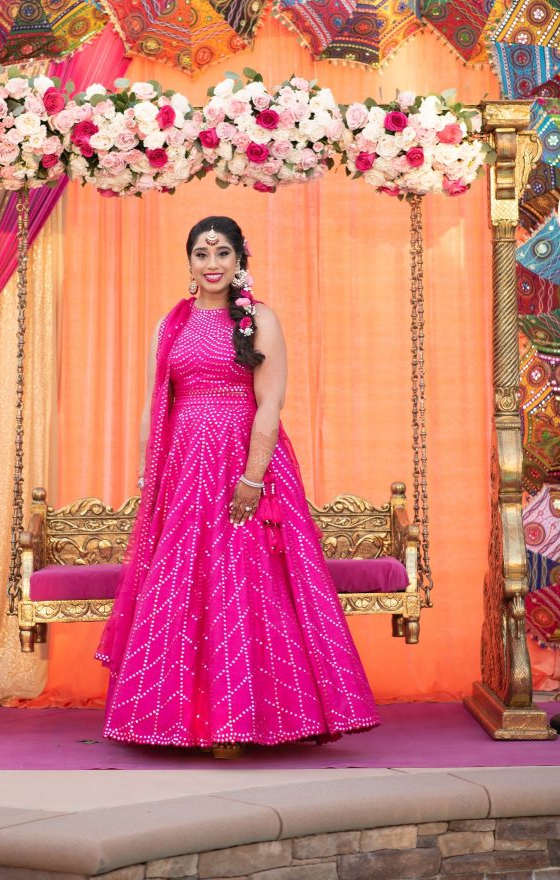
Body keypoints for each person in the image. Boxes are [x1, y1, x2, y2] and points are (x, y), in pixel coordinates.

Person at [96, 215, 379, 756]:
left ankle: (248, 719)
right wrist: (145, 472)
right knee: (181, 581)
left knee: (245, 580)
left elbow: (270, 404)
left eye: (222, 253)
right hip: (182, 469)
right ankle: (173, 719)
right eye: (202, 254)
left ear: (239, 260)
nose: (212, 264)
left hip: (243, 463)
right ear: (189, 262)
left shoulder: (260, 320)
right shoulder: (170, 324)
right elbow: (156, 402)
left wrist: (252, 477)